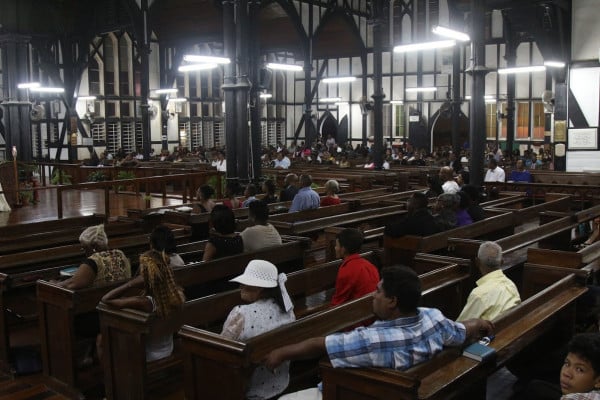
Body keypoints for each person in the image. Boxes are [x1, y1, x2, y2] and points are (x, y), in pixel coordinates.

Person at [263, 266, 494, 375]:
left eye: (378, 292)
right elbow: (462, 330)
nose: (373, 296)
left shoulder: (372, 339)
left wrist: (279, 354)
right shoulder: (433, 317)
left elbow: (319, 345)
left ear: (393, 301)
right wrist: (480, 323)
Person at [221, 260, 296, 400]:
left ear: (260, 288)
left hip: (248, 389)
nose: (240, 286)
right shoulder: (287, 309)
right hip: (281, 383)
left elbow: (221, 349)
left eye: (245, 282)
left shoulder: (241, 314)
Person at [101, 249, 185, 362]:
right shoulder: (177, 294)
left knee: (109, 344)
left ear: (146, 276)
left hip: (150, 355)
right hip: (167, 349)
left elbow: (106, 299)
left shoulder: (145, 302)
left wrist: (130, 284)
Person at [457, 241, 520, 321]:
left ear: (477, 262)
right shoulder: (511, 285)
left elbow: (461, 327)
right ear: (502, 262)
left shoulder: (479, 294)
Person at [58, 224, 131, 290]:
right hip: (121, 295)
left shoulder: (93, 261)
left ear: (94, 247)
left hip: (99, 300)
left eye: (84, 248)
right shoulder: (120, 254)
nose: (83, 251)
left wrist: (54, 283)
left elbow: (72, 284)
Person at [331, 228, 379, 306]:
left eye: (336, 245)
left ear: (343, 249)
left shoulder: (347, 270)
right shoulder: (369, 265)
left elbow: (337, 302)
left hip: (359, 312)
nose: (335, 248)